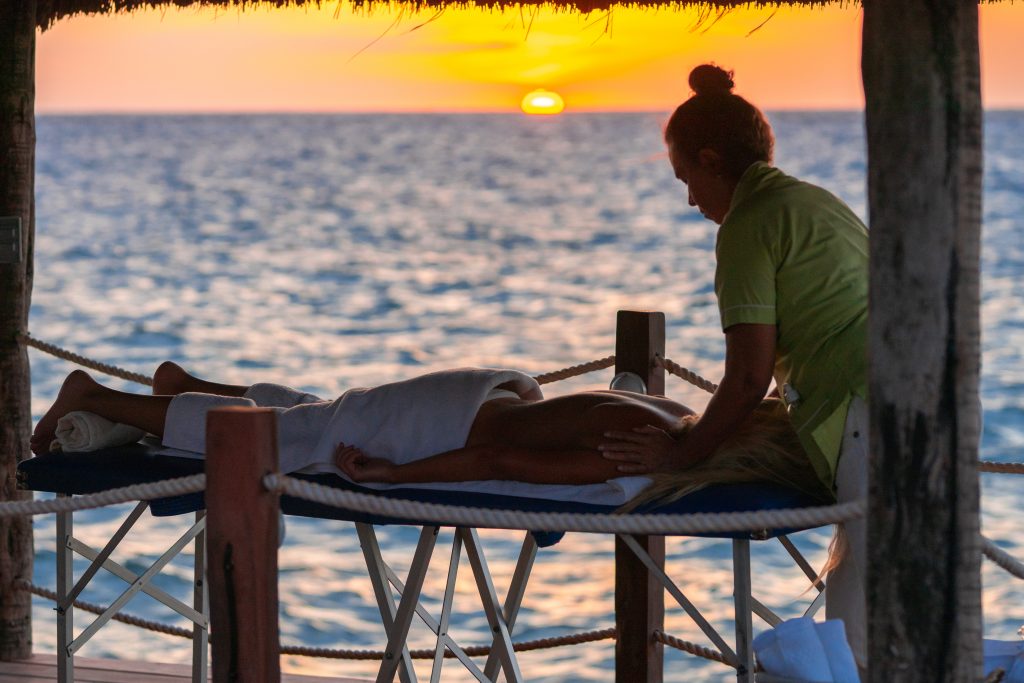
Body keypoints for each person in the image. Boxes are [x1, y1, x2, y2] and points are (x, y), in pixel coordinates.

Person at [598, 64, 868, 667]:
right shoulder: (812, 201)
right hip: (914, 401)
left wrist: (680, 456)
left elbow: (748, 377)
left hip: (868, 415)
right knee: (885, 617)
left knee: (862, 636)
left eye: (687, 179)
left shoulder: (749, 224)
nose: (692, 199)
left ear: (712, 159)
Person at [30, 362, 828, 505]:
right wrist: (389, 478)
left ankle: (186, 386)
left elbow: (519, 442)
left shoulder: (672, 418)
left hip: (482, 390)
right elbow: (498, 459)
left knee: (319, 415)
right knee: (283, 440)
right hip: (451, 423)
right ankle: (100, 394)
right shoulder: (644, 453)